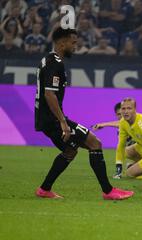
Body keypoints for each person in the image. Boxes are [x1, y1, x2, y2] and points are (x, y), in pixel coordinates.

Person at [34, 27, 133, 200]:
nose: (75, 46)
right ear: (62, 42)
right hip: (53, 119)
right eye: (73, 43)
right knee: (95, 143)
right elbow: (49, 94)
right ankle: (108, 191)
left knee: (70, 151)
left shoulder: (48, 60)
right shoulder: (54, 63)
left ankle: (44, 189)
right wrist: (63, 122)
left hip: (47, 118)